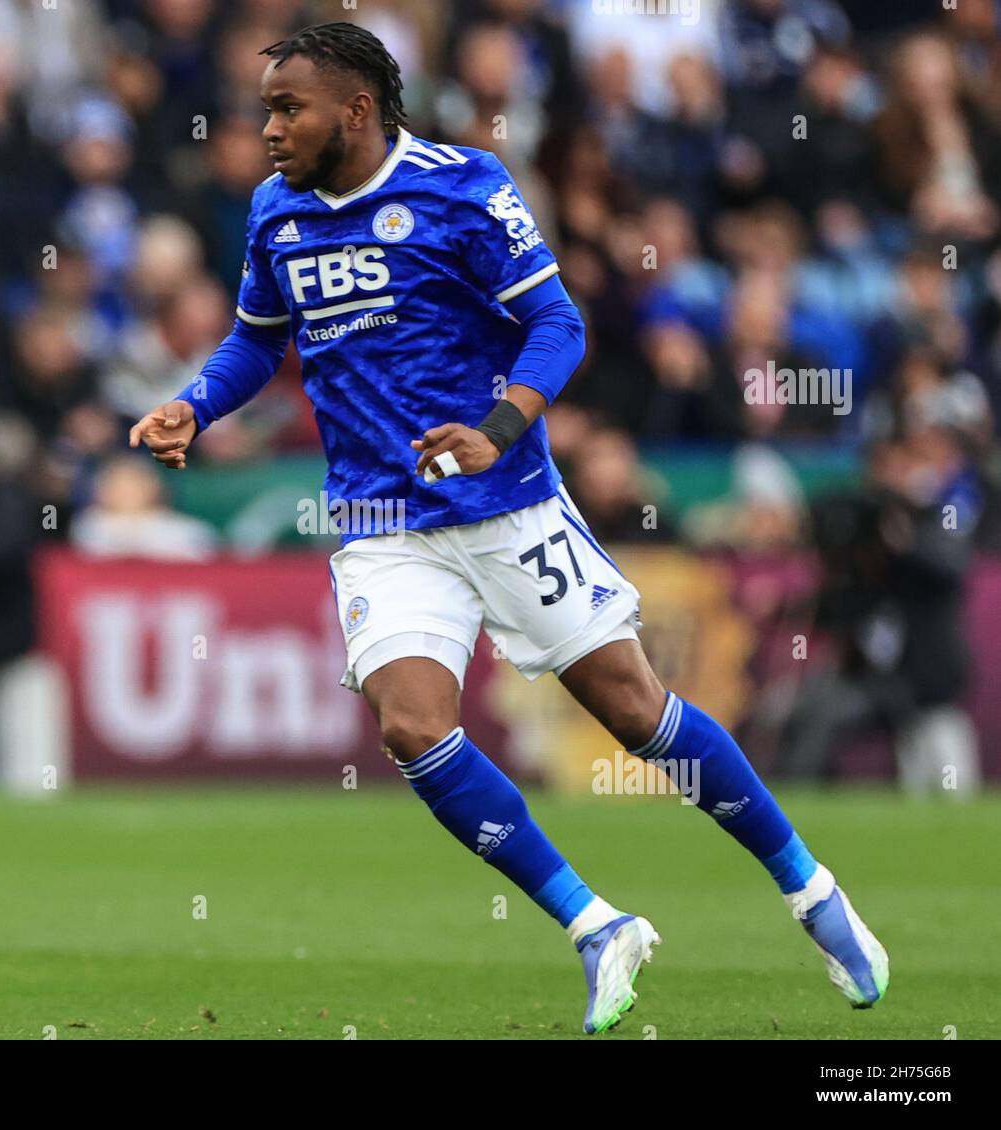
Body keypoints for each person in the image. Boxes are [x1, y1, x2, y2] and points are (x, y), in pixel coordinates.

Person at [129, 22, 887, 1034]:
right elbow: (255, 342)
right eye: (266, 108)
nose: (267, 129)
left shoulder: (462, 186)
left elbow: (557, 322)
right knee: (409, 725)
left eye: (286, 108)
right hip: (380, 518)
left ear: (353, 111)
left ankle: (810, 888)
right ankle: (594, 924)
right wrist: (194, 404)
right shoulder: (276, 212)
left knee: (633, 711)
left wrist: (497, 429)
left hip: (505, 502)